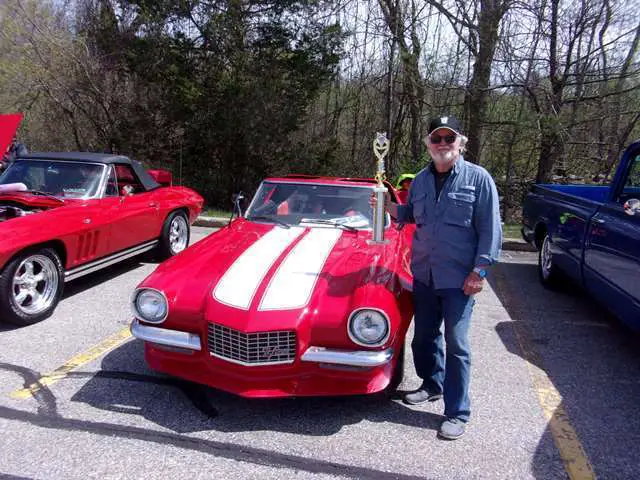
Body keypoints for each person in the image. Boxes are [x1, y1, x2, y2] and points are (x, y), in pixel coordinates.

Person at [374, 115, 502, 440]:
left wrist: (480, 270)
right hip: (425, 276)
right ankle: (432, 384)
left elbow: (491, 229)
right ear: (429, 144)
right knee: (423, 339)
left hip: (460, 280)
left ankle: (457, 412)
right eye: (436, 139)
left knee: (457, 344)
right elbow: (411, 215)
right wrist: (388, 206)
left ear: (461, 142)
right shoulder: (419, 180)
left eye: (449, 138)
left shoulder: (479, 179)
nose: (442, 144)